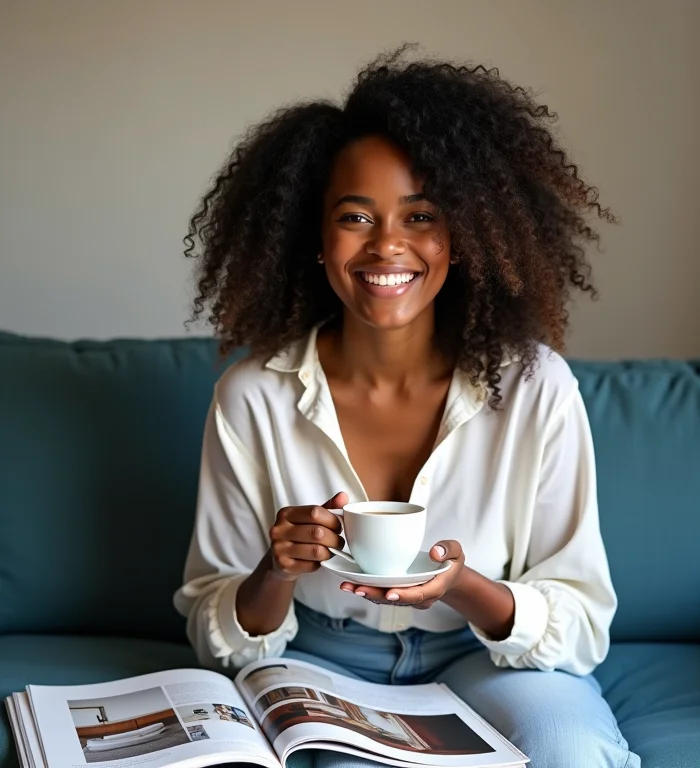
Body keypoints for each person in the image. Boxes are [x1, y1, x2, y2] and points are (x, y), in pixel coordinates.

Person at [174, 46, 641, 768]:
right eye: (356, 216)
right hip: (316, 660)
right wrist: (276, 570)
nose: (387, 244)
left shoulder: (535, 387)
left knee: (571, 750)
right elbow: (215, 630)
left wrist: (462, 587)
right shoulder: (252, 397)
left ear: (463, 239)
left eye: (420, 215)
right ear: (316, 242)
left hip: (482, 656)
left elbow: (582, 624)